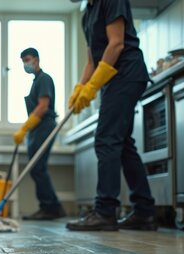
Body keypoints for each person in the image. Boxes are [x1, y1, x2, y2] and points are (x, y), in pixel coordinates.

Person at [66, 0, 157, 231]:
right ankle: (144, 212)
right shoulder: (87, 15)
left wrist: (93, 86)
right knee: (123, 144)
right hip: (112, 79)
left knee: (106, 139)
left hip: (127, 73)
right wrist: (80, 88)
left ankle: (105, 211)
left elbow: (116, 44)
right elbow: (91, 61)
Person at [14, 48, 66, 220]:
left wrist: (25, 127)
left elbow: (43, 106)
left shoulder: (44, 79)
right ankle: (51, 207)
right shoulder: (36, 81)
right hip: (38, 128)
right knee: (37, 168)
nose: (25, 64)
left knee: (37, 167)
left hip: (45, 126)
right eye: (23, 61)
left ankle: (50, 208)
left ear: (36, 59)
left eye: (27, 59)